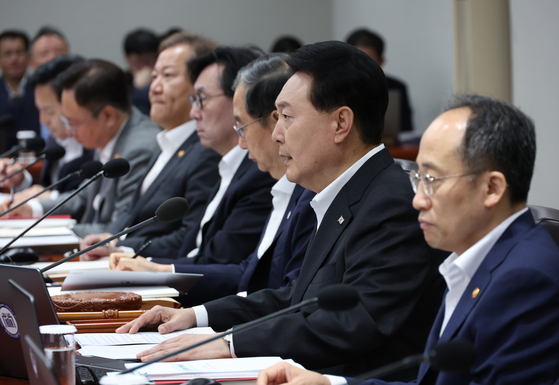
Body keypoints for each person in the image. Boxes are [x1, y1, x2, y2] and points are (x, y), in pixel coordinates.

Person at [116, 41, 447, 379]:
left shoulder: (390, 203)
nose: (276, 134)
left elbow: (352, 322)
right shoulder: (345, 192)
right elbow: (297, 298)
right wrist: (200, 317)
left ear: (340, 123)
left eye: (287, 117)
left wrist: (228, 343)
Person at [256, 95, 559, 385]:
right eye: (418, 178)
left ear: (492, 189)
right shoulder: (473, 264)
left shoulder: (524, 280)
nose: (417, 201)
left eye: (431, 180)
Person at [108, 53, 316, 308]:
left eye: (201, 99)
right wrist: (159, 272)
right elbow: (247, 273)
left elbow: (282, 296)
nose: (194, 112)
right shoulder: (255, 174)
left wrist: (204, 321)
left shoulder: (291, 187)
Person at [78, 32, 221, 259]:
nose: (155, 87)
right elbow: (132, 215)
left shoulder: (207, 152)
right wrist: (109, 238)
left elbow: (189, 236)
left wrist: (122, 249)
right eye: (154, 76)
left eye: (168, 75)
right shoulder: (165, 143)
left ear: (201, 86)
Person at [3, 59, 160, 238]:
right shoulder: (105, 135)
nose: (69, 131)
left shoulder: (138, 149)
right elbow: (82, 198)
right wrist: (30, 209)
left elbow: (119, 229)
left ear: (107, 115)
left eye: (73, 122)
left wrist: (50, 231)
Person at [0, 56, 94, 208]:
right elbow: (46, 190)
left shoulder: (96, 145)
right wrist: (22, 180)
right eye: (40, 110)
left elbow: (88, 205)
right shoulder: (55, 141)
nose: (42, 121)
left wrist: (52, 197)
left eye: (48, 111)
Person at [346, 28, 413, 133]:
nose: (362, 67)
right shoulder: (337, 88)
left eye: (369, 61)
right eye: (357, 61)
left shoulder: (396, 88)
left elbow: (406, 130)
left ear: (381, 61)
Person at [0, 30, 40, 150]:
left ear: (29, 57)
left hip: (37, 160)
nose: (14, 59)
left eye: (19, 52)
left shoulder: (40, 89)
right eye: (8, 53)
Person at [123, 28, 159, 115]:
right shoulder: (119, 82)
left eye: (150, 61)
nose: (145, 68)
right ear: (127, 59)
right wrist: (138, 89)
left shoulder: (163, 81)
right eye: (138, 62)